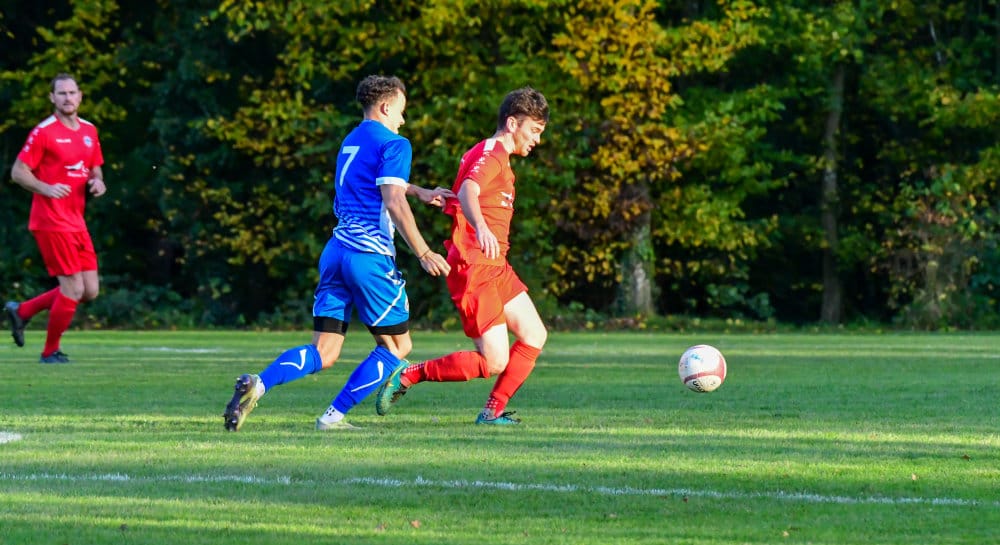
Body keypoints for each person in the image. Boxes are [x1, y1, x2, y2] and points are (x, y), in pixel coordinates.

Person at [223, 74, 453, 432]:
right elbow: (392, 199)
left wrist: (418, 190)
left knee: (324, 351)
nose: (403, 120)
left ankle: (259, 383)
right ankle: (333, 417)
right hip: (369, 258)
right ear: (385, 107)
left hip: (335, 253)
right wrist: (423, 252)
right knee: (397, 347)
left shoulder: (352, 140)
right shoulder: (396, 144)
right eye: (401, 111)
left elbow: (376, 184)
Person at [375, 87, 549, 425]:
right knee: (494, 361)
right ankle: (410, 374)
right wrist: (480, 226)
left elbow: (465, 191)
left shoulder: (491, 155)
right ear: (513, 123)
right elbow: (470, 188)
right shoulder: (492, 153)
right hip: (476, 264)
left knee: (534, 334)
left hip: (496, 265)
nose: (536, 140)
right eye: (534, 130)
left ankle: (491, 412)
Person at [5, 73, 107, 364]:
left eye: (72, 92)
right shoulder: (44, 132)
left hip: (76, 221)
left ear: (80, 96)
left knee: (89, 291)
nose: (67, 98)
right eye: (61, 93)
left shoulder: (89, 130)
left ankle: (23, 311)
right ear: (52, 97)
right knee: (72, 287)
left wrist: (98, 182)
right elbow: (18, 172)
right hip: (51, 220)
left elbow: (95, 167)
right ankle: (50, 352)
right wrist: (46, 188)